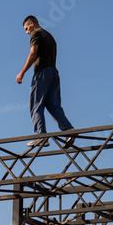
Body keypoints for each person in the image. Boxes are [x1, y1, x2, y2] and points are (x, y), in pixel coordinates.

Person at [16, 15, 75, 148]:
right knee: (53, 105)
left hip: (42, 72)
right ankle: (68, 129)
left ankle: (40, 136)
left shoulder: (36, 33)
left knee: (36, 104)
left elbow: (33, 53)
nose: (27, 32)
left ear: (32, 24)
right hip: (54, 73)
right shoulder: (50, 36)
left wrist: (22, 72)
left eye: (26, 28)